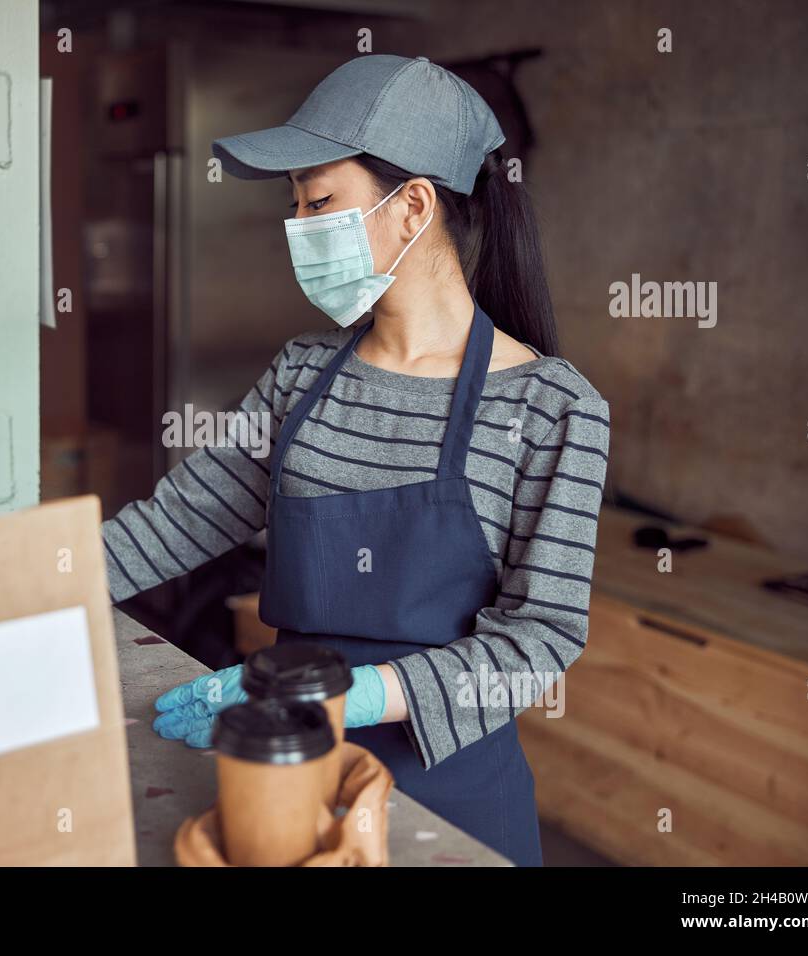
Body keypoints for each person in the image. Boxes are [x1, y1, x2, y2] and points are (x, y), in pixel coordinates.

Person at [100, 54, 610, 867]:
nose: (298, 225)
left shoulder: (553, 407)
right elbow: (178, 521)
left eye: (320, 201)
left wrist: (356, 695)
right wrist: (22, 584)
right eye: (294, 204)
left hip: (453, 798)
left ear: (412, 206)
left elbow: (541, 637)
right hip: (294, 780)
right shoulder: (302, 375)